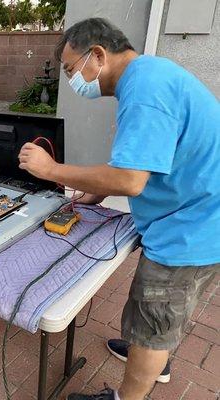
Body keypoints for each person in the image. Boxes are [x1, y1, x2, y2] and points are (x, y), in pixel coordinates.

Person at [18, 18, 220, 400]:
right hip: (196, 212)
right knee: (160, 316)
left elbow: (129, 180)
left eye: (70, 69)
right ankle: (152, 352)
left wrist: (51, 169)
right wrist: (95, 191)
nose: (73, 80)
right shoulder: (148, 77)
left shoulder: (145, 88)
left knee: (157, 312)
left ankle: (136, 380)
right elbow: (145, 162)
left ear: (97, 55)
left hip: (192, 229)